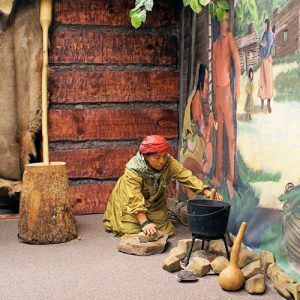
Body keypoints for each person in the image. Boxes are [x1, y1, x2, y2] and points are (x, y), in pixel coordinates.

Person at [103, 135, 223, 238]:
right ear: (146, 156)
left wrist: (205, 190)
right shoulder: (134, 170)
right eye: (157, 157)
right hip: (128, 201)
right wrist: (144, 222)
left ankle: (169, 207)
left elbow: (185, 175)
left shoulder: (168, 162)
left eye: (164, 156)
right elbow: (133, 197)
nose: (162, 161)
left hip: (154, 201)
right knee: (132, 232)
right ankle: (138, 220)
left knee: (167, 231)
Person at [211, 11, 241, 199]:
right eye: (223, 21)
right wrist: (214, 103)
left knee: (230, 136)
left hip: (227, 92)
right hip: (217, 94)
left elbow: (237, 61)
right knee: (219, 136)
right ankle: (217, 176)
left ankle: (230, 177)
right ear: (218, 23)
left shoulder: (230, 38)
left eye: (228, 20)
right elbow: (213, 72)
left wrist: (237, 84)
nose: (226, 24)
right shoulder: (214, 45)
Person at [180, 63, 215, 201]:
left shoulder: (196, 98)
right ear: (200, 80)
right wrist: (210, 123)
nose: (207, 86)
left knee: (194, 197)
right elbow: (202, 132)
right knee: (205, 173)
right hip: (191, 153)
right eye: (206, 81)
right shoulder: (195, 99)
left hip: (193, 151)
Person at [258, 19, 274, 113]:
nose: (264, 26)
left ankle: (268, 103)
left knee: (268, 82)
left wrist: (264, 53)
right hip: (264, 60)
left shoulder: (270, 34)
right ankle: (262, 102)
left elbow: (268, 47)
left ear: (267, 24)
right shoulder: (264, 33)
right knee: (262, 80)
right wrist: (262, 46)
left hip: (267, 60)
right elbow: (263, 44)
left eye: (265, 24)